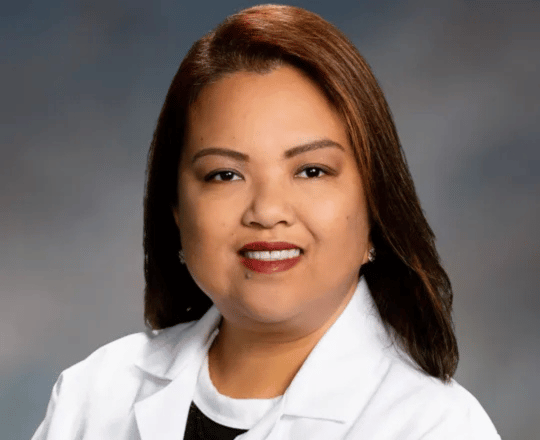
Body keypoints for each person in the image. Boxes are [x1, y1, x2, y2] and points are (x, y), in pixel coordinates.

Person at [32, 4, 501, 439]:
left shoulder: (435, 425)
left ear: (376, 209)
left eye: (311, 171)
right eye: (224, 174)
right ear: (175, 209)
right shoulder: (92, 396)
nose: (267, 211)